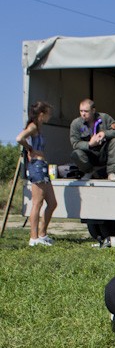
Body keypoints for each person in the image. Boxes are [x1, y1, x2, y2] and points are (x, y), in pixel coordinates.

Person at [15, 101, 57, 247]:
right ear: (41, 114)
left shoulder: (39, 128)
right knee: (37, 203)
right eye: (48, 114)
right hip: (36, 166)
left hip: (43, 166)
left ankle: (42, 234)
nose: (49, 117)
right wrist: (30, 148)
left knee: (52, 203)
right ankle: (34, 238)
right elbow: (19, 138)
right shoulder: (32, 127)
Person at [69, 99, 115, 181]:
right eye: (81, 111)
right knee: (75, 153)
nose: (83, 114)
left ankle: (112, 172)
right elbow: (75, 143)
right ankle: (89, 172)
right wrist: (89, 144)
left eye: (86, 111)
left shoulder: (105, 118)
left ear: (93, 110)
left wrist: (105, 133)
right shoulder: (76, 124)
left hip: (104, 153)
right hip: (89, 155)